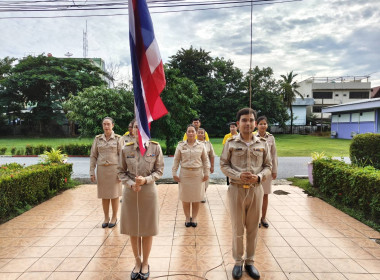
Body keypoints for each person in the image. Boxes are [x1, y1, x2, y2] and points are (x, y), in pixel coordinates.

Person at [220, 108, 272, 280]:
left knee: (252, 229)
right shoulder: (231, 143)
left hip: (256, 190)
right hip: (236, 190)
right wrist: (237, 175)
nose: (248, 123)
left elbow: (268, 166)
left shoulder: (263, 143)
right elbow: (224, 165)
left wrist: (258, 177)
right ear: (238, 124)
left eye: (251, 120)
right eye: (244, 120)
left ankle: (250, 261)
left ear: (255, 124)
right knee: (237, 228)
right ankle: (237, 262)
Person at [118, 120, 164, 280]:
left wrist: (146, 180)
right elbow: (120, 172)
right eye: (136, 126)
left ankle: (145, 263)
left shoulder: (155, 147)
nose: (139, 129)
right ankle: (137, 262)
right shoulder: (126, 148)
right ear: (132, 130)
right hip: (131, 193)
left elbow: (159, 170)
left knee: (147, 229)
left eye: (142, 126)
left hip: (148, 191)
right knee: (134, 229)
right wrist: (131, 184)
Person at [173, 124, 210, 227]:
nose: (190, 133)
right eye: (188, 131)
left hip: (197, 174)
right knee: (185, 198)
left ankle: (194, 217)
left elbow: (205, 160)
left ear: (196, 133)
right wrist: (174, 173)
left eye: (192, 131)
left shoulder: (201, 145)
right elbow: (176, 160)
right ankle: (187, 217)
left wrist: (207, 173)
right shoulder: (181, 145)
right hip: (185, 174)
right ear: (186, 133)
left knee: (196, 198)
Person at [90, 117, 123, 229]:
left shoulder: (118, 139)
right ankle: (106, 217)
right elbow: (93, 156)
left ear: (113, 125)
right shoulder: (98, 139)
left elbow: (122, 157)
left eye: (108, 124)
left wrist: (121, 172)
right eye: (104, 124)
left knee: (114, 195)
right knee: (104, 195)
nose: (106, 126)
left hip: (114, 170)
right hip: (102, 170)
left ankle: (114, 217)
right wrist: (91, 171)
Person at [255, 116, 278, 228]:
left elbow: (274, 154)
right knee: (255, 196)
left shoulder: (271, 138)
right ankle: (255, 219)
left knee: (265, 195)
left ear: (267, 125)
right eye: (261, 124)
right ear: (256, 125)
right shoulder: (253, 136)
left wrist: (274, 170)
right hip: (255, 170)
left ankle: (263, 218)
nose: (263, 126)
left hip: (267, 170)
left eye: (265, 123)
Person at [197, 128, 215, 203]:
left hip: (206, 166)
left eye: (202, 133)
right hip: (196, 166)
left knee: (206, 181)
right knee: (197, 182)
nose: (200, 134)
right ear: (196, 134)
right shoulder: (193, 143)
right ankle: (197, 196)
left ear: (204, 135)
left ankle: (202, 195)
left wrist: (212, 166)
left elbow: (212, 155)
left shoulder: (208, 144)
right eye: (199, 133)